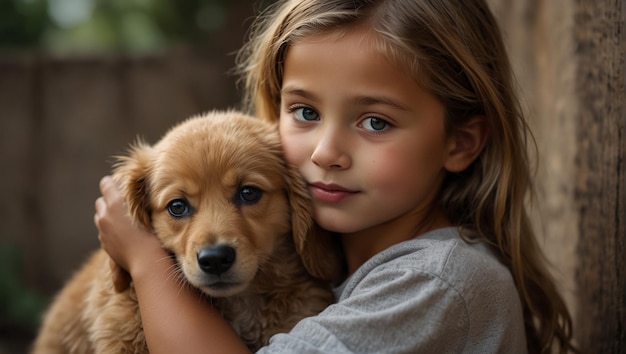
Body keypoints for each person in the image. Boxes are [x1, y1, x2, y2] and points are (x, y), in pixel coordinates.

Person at [94, 0, 577, 353]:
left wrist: (143, 259)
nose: (326, 153)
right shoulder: (330, 256)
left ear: (460, 142)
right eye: (304, 111)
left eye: (375, 122)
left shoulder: (438, 283)